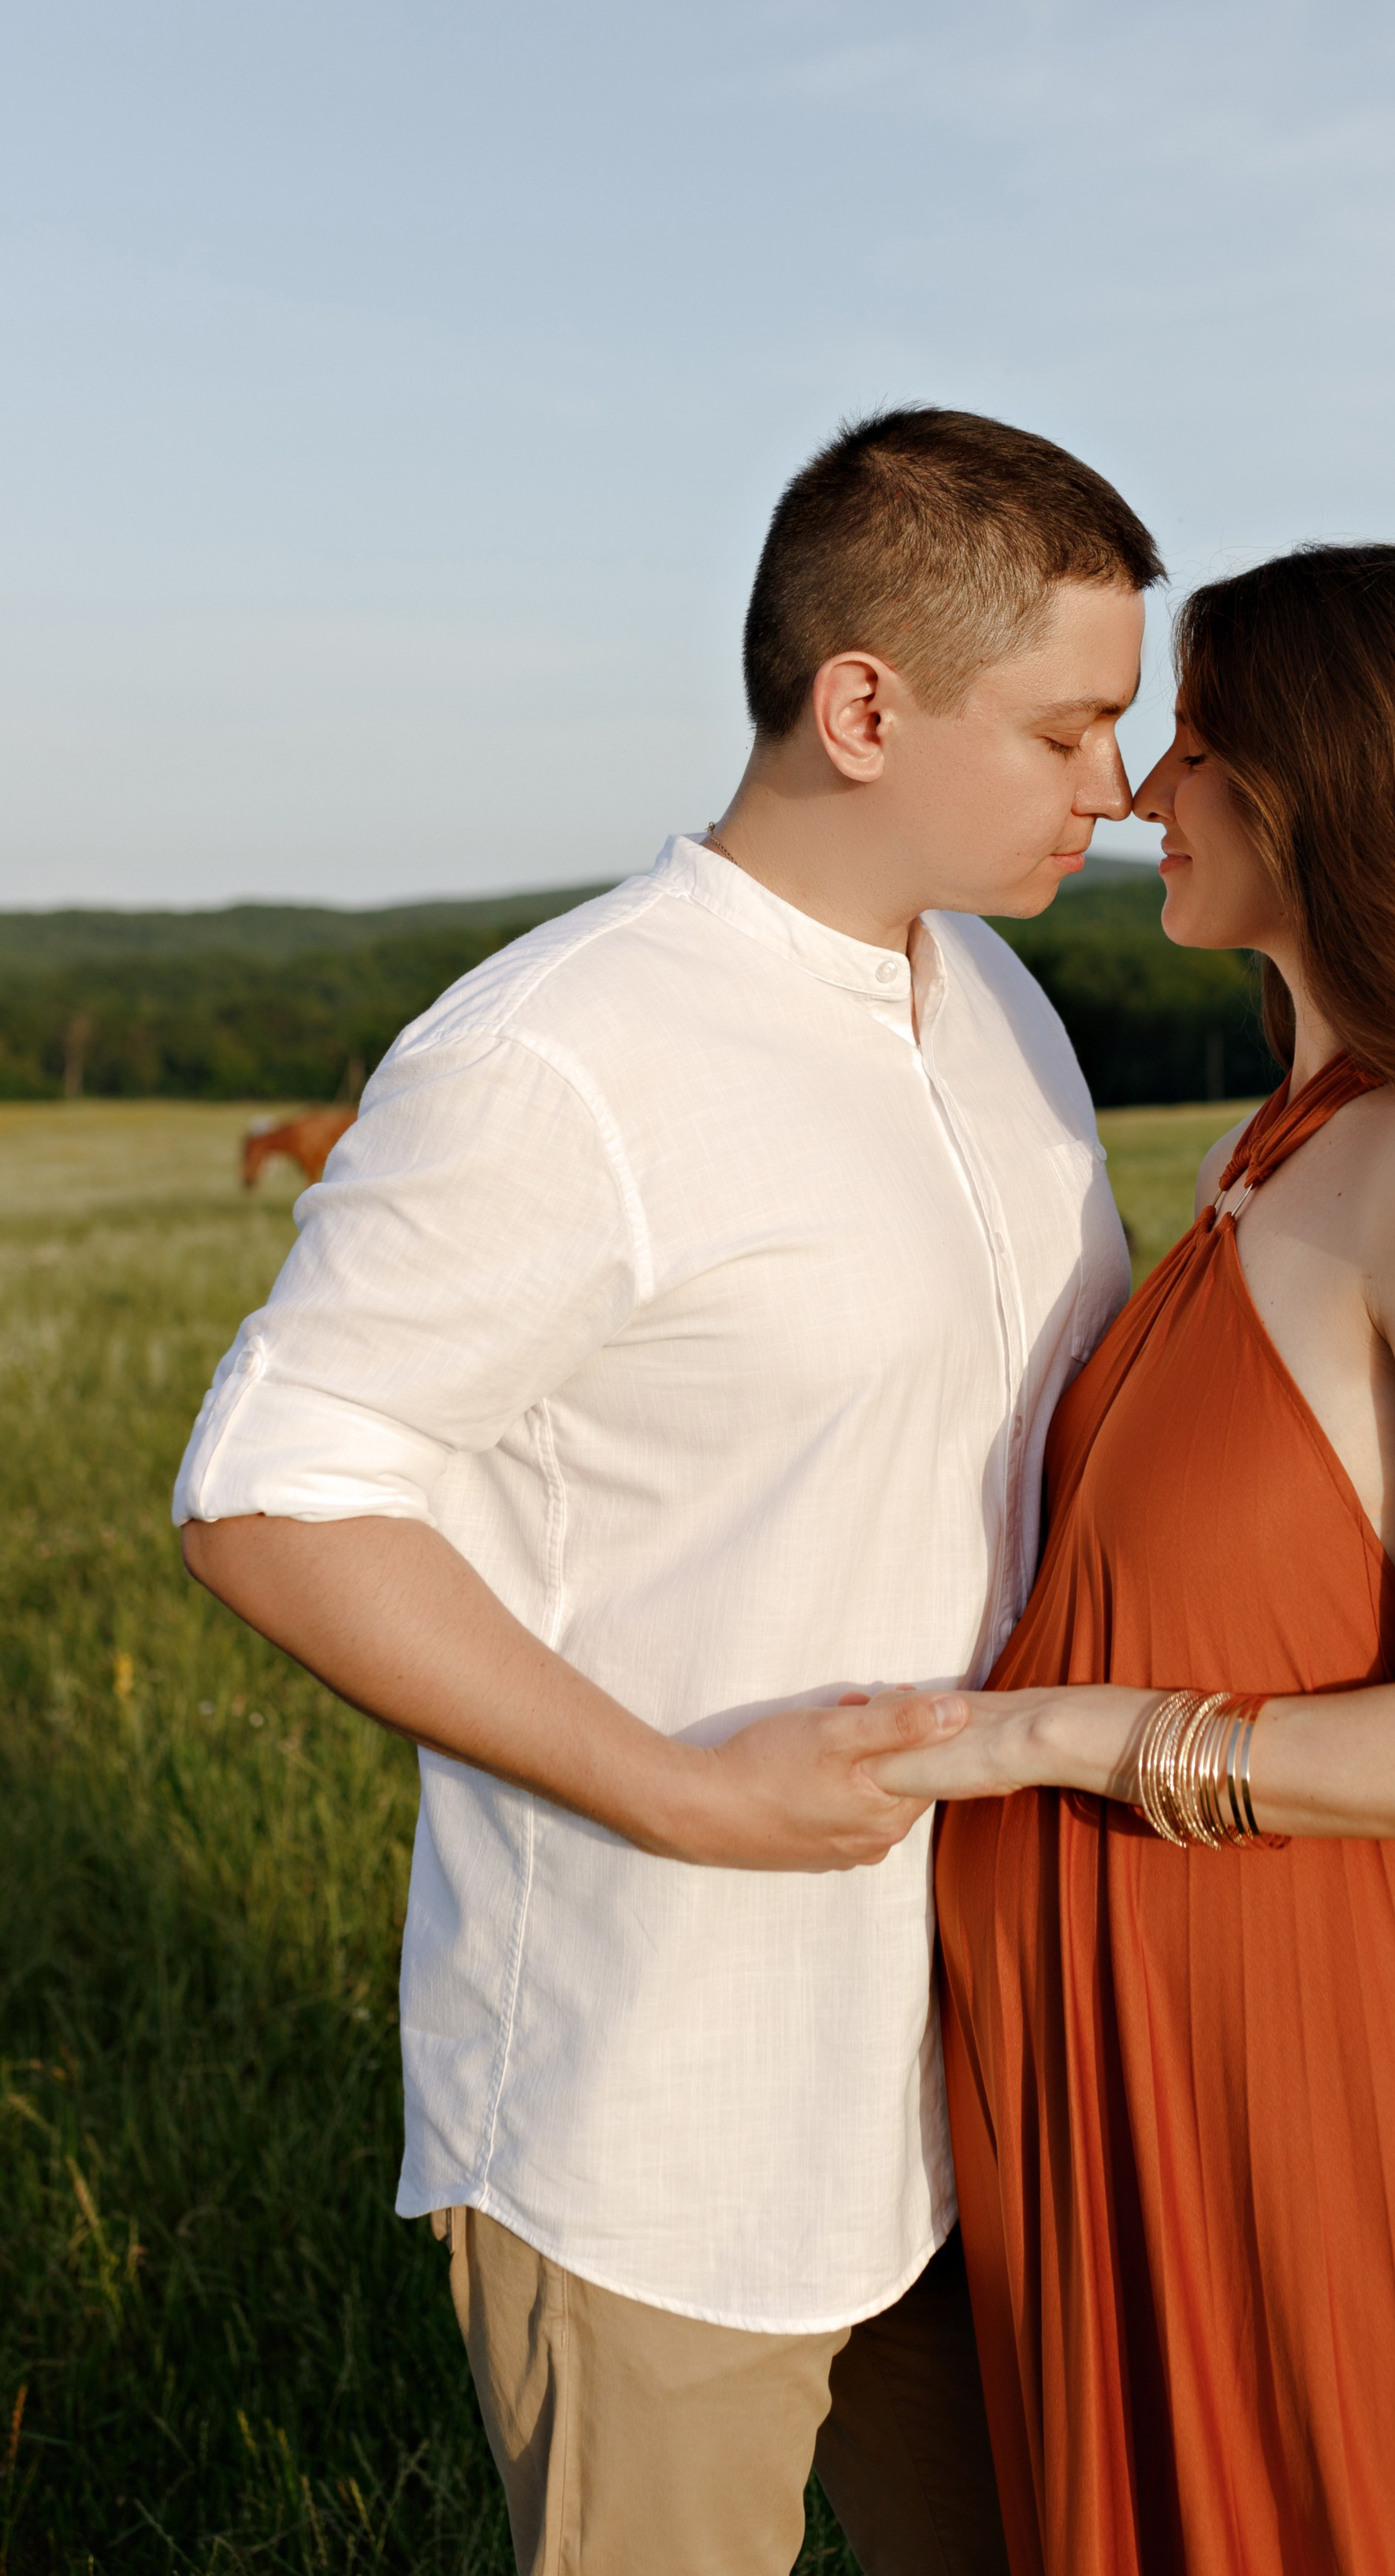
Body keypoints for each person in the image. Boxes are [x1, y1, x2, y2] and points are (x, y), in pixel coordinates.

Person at [173, 407, 1163, 2576]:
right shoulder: (554, 1056)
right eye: (1075, 728)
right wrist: (686, 1792)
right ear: (866, 703)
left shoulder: (1000, 1000)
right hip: (662, 2092)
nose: (1124, 788)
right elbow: (268, 1496)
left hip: (989, 2064)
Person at [882, 544, 1395, 2574]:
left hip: (1333, 2105)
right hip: (1162, 2089)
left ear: (1325, 783)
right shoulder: (1272, 1148)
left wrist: (1054, 1743)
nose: (1147, 791)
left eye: (1194, 740)